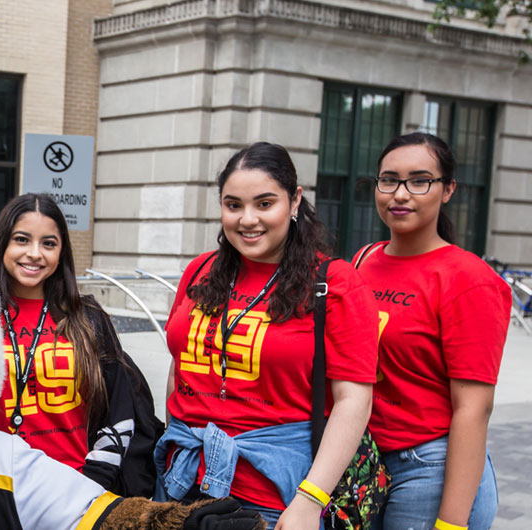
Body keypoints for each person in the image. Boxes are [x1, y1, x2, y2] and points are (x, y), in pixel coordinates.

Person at [158, 142, 377, 529]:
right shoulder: (199, 271)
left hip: (275, 497)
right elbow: (179, 368)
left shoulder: (334, 282)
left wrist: (310, 501)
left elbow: (353, 400)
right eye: (233, 205)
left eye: (264, 203)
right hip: (180, 483)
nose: (247, 219)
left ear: (294, 202)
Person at [354, 132, 507, 530]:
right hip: (366, 462)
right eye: (389, 180)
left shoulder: (469, 278)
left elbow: (474, 408)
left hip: (430, 466)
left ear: (447, 189)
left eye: (419, 181)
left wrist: (451, 523)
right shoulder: (362, 261)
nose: (400, 194)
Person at [0, 193, 163, 497]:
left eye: (48, 243)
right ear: (3, 245)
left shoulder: (87, 318)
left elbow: (120, 409)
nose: (35, 253)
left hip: (75, 489)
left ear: (61, 251)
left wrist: (92, 484)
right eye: (22, 240)